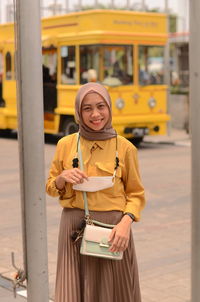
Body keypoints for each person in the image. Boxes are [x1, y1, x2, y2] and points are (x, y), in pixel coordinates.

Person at [46, 82, 146, 302]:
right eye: (87, 108)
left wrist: (125, 224)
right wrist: (63, 178)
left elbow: (136, 194)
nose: (95, 114)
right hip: (75, 229)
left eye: (101, 106)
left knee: (114, 292)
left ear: (109, 108)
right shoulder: (66, 144)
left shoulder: (125, 148)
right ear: (78, 113)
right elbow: (51, 187)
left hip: (114, 232)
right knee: (74, 291)